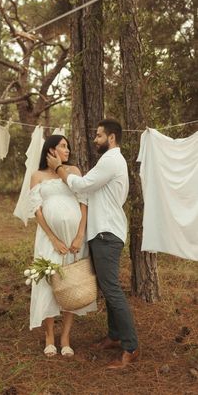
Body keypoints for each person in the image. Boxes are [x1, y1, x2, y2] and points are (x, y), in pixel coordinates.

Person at [47, 119, 139, 369]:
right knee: (108, 289)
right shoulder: (109, 161)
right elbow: (88, 190)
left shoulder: (111, 160)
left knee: (112, 290)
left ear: (111, 138)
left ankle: (130, 347)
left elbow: (82, 184)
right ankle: (114, 335)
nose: (95, 139)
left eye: (98, 136)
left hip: (107, 234)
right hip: (103, 233)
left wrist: (58, 169)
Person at [29, 134, 97, 357]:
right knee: (48, 283)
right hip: (50, 239)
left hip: (74, 240)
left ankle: (65, 337)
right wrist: (54, 239)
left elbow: (84, 203)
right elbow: (37, 210)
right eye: (63, 146)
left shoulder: (74, 172)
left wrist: (79, 235)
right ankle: (49, 336)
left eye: (68, 146)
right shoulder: (37, 175)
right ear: (50, 150)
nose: (67, 150)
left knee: (71, 284)